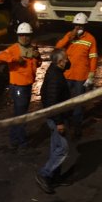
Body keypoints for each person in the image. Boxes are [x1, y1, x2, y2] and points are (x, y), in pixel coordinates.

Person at [0, 23, 39, 153]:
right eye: (22, 35)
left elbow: (37, 63)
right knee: (21, 116)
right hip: (18, 86)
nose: (25, 37)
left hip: (28, 84)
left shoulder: (32, 48)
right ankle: (22, 144)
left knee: (20, 114)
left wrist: (38, 57)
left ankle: (14, 140)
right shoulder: (14, 49)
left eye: (27, 35)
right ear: (18, 36)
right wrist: (15, 59)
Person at [35, 49, 74, 194]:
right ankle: (44, 174)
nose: (67, 60)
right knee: (62, 149)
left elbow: (67, 66)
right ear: (59, 62)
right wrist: (59, 122)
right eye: (66, 59)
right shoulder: (55, 78)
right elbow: (52, 102)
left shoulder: (55, 69)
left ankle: (55, 177)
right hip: (56, 118)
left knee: (55, 147)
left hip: (57, 116)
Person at [54, 13, 98, 133]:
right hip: (67, 74)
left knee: (79, 102)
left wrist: (91, 74)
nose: (78, 28)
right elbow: (57, 47)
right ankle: (66, 121)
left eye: (81, 26)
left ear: (85, 26)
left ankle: (77, 126)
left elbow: (93, 57)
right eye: (76, 25)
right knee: (65, 99)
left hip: (81, 76)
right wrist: (69, 37)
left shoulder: (90, 39)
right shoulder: (69, 36)